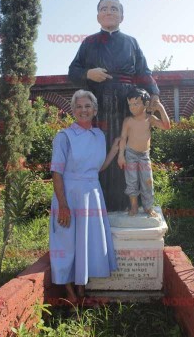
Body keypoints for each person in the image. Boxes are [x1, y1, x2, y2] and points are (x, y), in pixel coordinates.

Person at [68, 0, 161, 212]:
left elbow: (143, 72)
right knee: (101, 149)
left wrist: (154, 92)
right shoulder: (88, 43)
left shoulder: (131, 42)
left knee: (129, 149)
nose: (109, 12)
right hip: (98, 105)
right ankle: (100, 204)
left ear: (122, 16)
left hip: (128, 104)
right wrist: (88, 73)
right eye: (104, 8)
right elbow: (72, 72)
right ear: (98, 16)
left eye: (114, 8)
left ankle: (131, 204)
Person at [49, 89, 120, 304]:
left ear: (95, 110)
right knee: (66, 243)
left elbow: (97, 168)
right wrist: (63, 205)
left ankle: (81, 292)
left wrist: (114, 150)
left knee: (86, 243)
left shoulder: (99, 136)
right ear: (72, 110)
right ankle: (71, 296)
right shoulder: (64, 137)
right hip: (69, 196)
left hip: (92, 195)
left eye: (87, 106)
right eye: (78, 106)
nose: (83, 110)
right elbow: (56, 172)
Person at [118, 88, 170, 217]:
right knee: (131, 181)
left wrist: (160, 108)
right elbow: (123, 138)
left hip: (144, 156)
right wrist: (121, 155)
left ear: (146, 104)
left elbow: (166, 126)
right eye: (130, 104)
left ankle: (148, 207)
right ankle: (134, 207)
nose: (132, 107)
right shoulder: (128, 121)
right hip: (130, 154)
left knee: (148, 181)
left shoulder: (150, 119)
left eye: (136, 104)